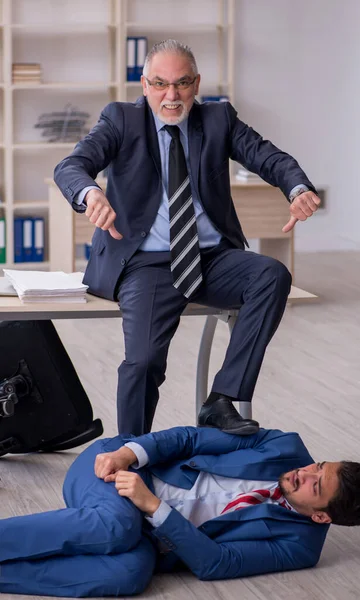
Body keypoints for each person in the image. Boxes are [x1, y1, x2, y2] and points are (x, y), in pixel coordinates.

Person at [54, 39, 321, 437]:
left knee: (272, 274)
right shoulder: (121, 119)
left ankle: (223, 399)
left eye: (181, 84)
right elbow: (71, 165)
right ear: (144, 85)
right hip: (146, 262)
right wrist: (90, 192)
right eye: (160, 83)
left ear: (196, 84)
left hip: (212, 257)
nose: (171, 95)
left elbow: (270, 157)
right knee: (143, 363)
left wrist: (298, 188)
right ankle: (131, 456)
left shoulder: (218, 119)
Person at [0, 425, 360, 597]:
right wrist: (126, 453)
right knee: (117, 525)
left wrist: (152, 506)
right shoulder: (286, 446)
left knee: (131, 573)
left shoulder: (299, 547)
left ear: (321, 516)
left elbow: (217, 563)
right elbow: (192, 438)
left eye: (314, 484)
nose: (304, 472)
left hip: (150, 529)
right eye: (320, 466)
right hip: (121, 467)